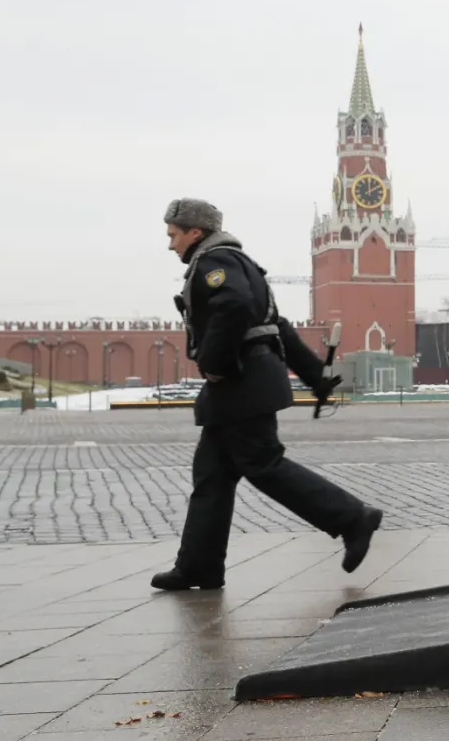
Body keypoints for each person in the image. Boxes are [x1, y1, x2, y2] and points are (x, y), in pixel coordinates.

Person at [151, 198, 383, 591]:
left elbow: (235, 306)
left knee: (263, 464)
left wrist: (214, 362)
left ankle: (352, 518)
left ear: (195, 232)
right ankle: (198, 567)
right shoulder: (242, 264)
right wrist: (315, 376)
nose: (170, 244)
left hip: (241, 383)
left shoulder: (214, 262)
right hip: (244, 383)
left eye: (174, 235)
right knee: (212, 478)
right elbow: (278, 325)